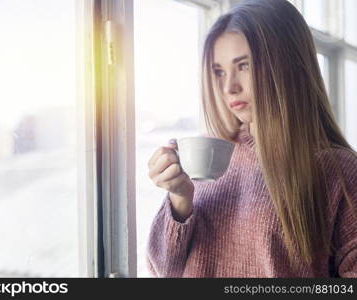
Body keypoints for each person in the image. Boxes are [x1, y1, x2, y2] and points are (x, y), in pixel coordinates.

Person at [146, 0, 357, 277]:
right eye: (219, 71)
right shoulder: (211, 158)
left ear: (287, 64)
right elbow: (165, 271)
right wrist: (179, 198)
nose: (229, 87)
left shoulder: (339, 170)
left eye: (243, 66)